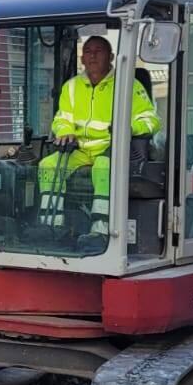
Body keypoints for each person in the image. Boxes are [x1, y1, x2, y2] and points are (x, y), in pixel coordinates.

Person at [38, 34, 162, 241]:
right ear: (82, 59)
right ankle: (52, 228)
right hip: (79, 149)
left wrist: (129, 127)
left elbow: (151, 119)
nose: (93, 56)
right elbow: (61, 119)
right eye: (88, 52)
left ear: (111, 57)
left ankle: (100, 230)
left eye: (99, 51)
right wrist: (64, 132)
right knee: (47, 165)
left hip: (111, 147)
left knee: (104, 166)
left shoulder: (128, 85)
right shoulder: (71, 87)